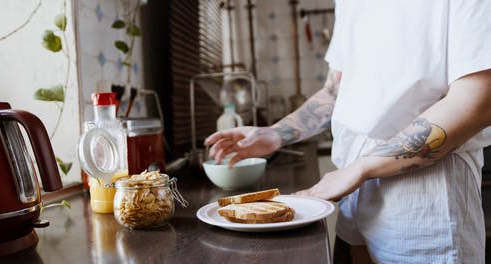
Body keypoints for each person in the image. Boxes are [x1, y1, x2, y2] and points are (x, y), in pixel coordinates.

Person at [205, 1, 491, 263]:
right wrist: (277, 133)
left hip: (425, 196)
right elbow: (336, 89)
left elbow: (477, 100)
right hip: (353, 184)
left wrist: (362, 168)